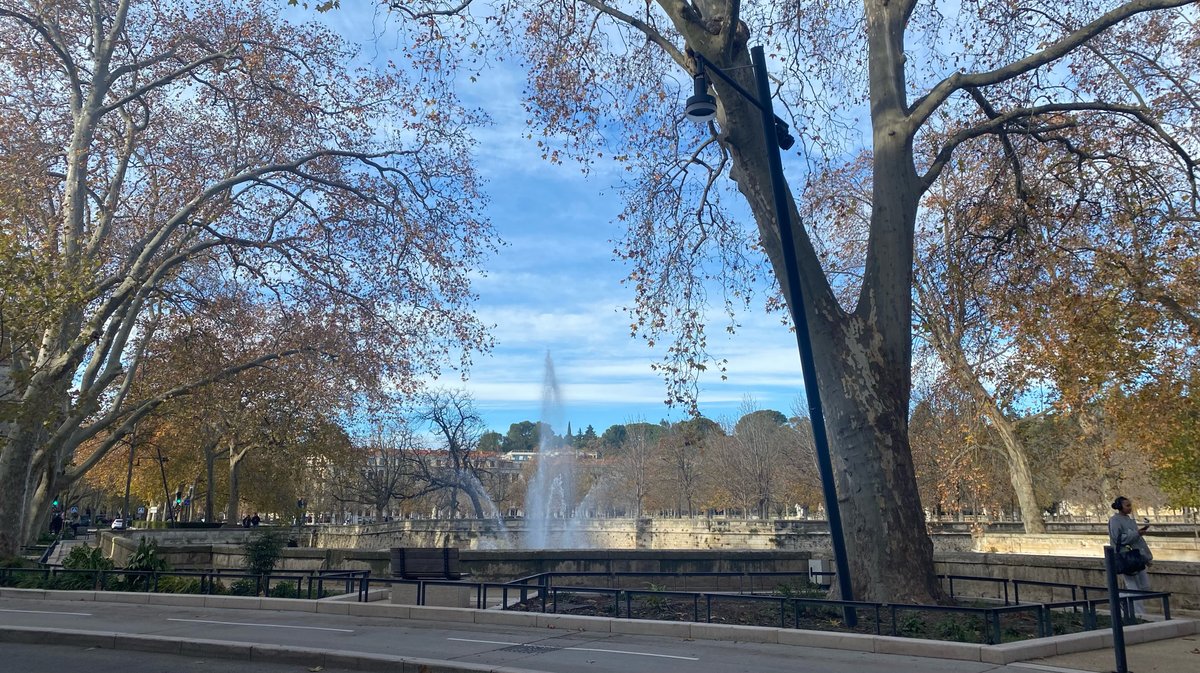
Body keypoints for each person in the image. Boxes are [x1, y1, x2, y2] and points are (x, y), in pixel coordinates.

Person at [1108, 496, 1153, 617]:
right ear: (1120, 507)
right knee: (1133, 586)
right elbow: (1118, 539)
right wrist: (1136, 533)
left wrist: (1146, 557)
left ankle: (1124, 600)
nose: (1130, 508)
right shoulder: (1115, 520)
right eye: (1127, 505)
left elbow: (1137, 541)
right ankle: (1139, 613)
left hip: (1136, 556)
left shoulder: (1129, 520)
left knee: (1145, 586)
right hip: (1126, 557)